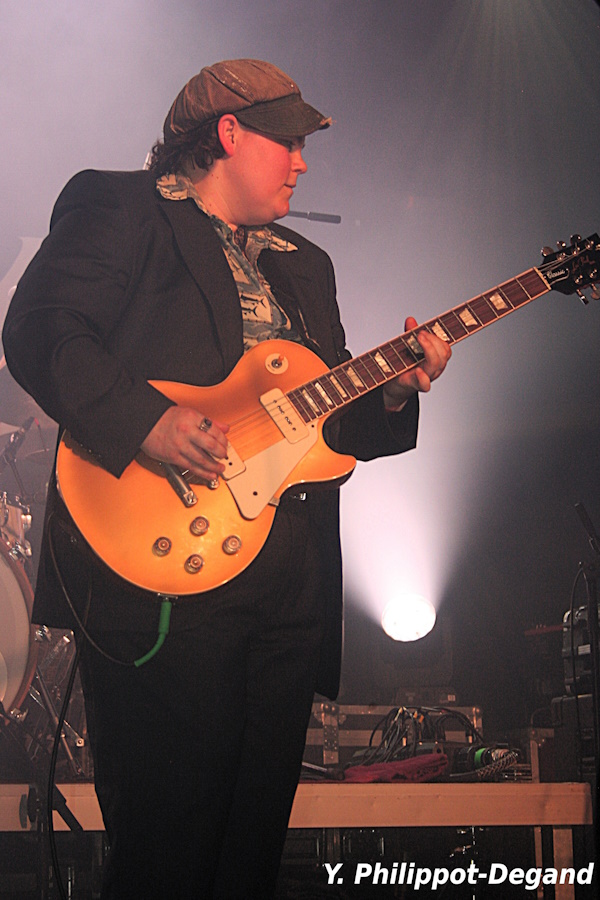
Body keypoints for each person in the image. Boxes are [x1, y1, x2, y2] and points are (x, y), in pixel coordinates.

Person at [2, 59, 451, 898]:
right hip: (164, 570)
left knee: (249, 856)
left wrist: (391, 393)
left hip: (288, 585)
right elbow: (40, 329)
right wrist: (148, 421)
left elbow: (327, 432)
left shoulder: (305, 264)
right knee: (167, 852)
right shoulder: (122, 208)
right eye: (288, 142)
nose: (302, 163)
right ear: (230, 134)